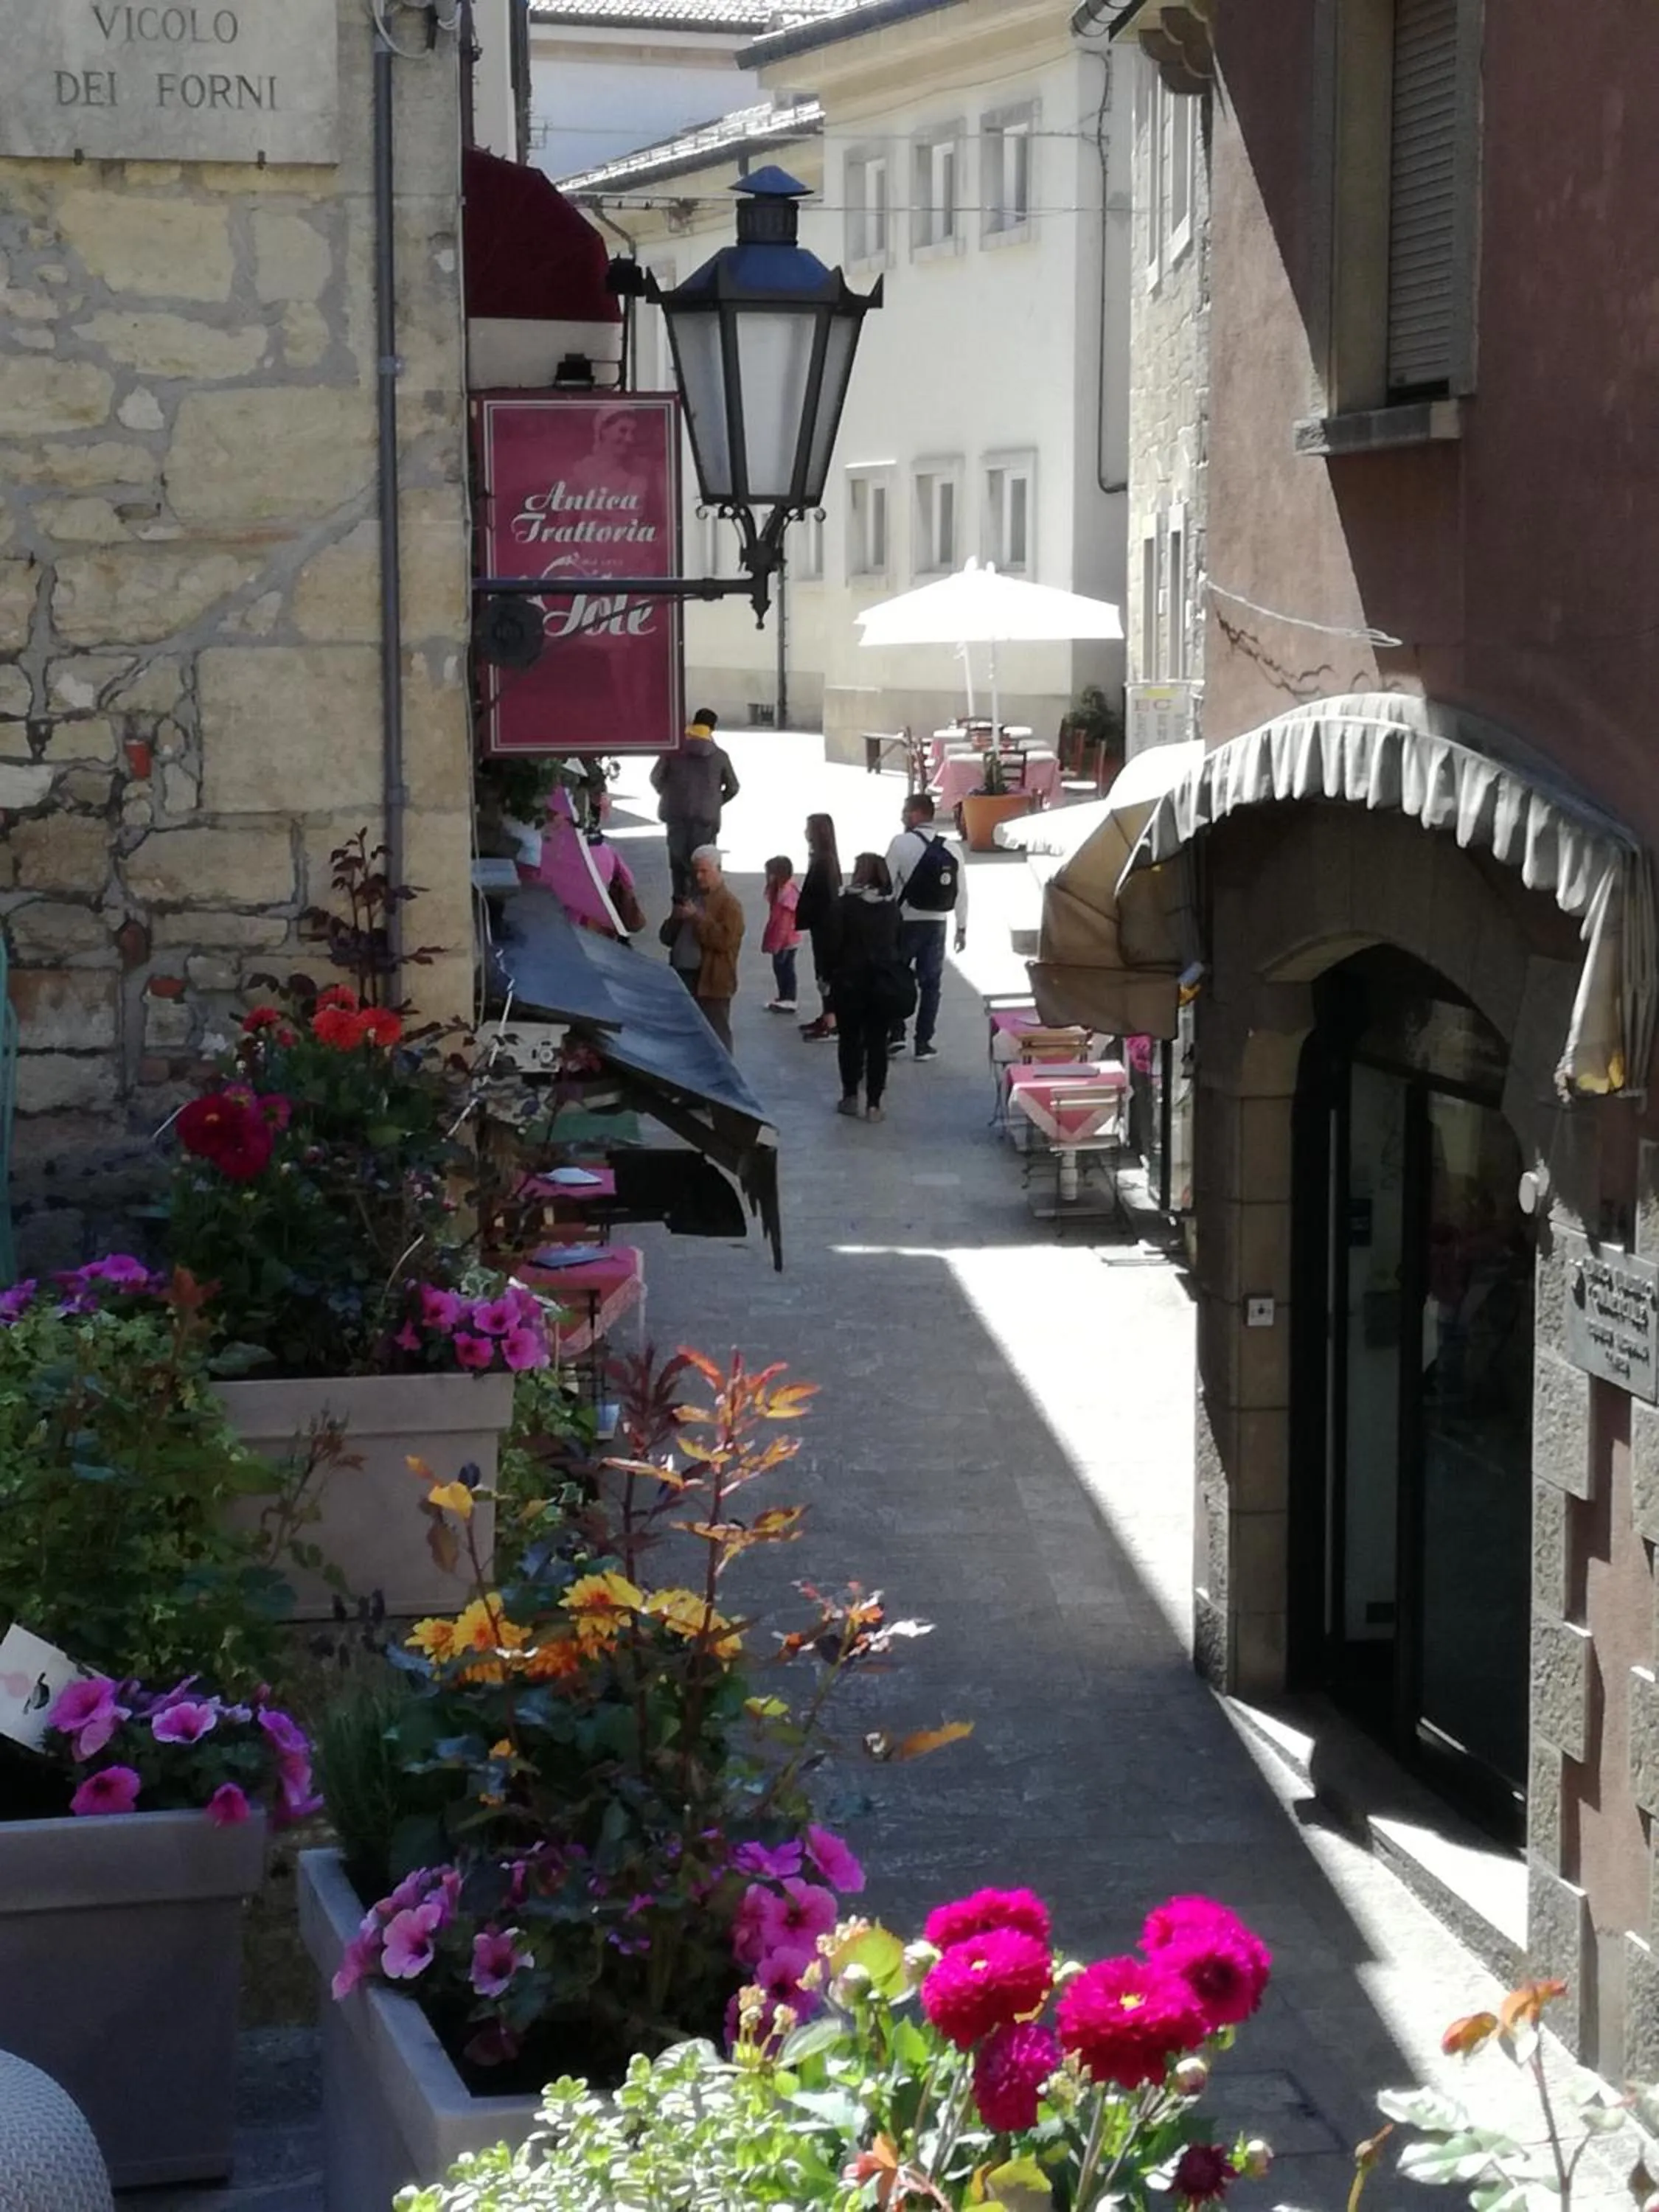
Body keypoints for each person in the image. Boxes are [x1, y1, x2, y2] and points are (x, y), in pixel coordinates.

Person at [885, 792, 967, 1062]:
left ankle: (896, 1033)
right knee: (931, 985)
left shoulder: (900, 843)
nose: (902, 817)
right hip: (937, 924)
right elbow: (961, 892)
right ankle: (923, 1043)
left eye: (905, 812)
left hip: (905, 921)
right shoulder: (951, 848)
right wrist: (962, 927)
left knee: (895, 977)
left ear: (917, 814)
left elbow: (886, 884)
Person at [828, 853, 910, 1123]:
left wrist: (827, 976)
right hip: (882, 984)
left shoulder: (844, 905)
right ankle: (874, 1103)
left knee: (849, 1040)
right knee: (877, 1042)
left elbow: (833, 944)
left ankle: (850, 1095)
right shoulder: (891, 908)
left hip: (850, 983)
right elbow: (899, 944)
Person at [650, 711, 740, 901]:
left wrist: (670, 796)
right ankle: (702, 909)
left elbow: (656, 778)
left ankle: (680, 906)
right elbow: (733, 787)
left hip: (676, 817)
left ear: (693, 724)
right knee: (704, 868)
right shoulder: (720, 756)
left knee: (678, 867)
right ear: (712, 729)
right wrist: (715, 802)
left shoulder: (672, 752)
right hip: (705, 821)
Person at [672, 844, 744, 1052]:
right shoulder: (694, 897)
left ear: (718, 869)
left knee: (717, 1035)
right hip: (686, 975)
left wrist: (697, 918)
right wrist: (676, 919)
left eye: (704, 871)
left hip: (712, 980)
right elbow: (667, 937)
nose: (699, 877)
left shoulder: (730, 905)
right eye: (697, 871)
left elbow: (724, 941)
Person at [795, 813, 843, 1040]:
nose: (805, 833)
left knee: (826, 974)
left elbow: (824, 897)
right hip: (823, 926)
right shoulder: (825, 858)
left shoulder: (824, 862)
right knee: (822, 972)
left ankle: (832, 1023)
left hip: (826, 928)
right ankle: (826, 1016)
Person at [762, 855, 802, 1013]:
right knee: (780, 968)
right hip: (783, 939)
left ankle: (789, 998)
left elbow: (784, 925)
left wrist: (777, 943)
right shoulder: (779, 891)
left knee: (785, 968)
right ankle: (784, 996)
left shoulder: (787, 895)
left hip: (786, 940)